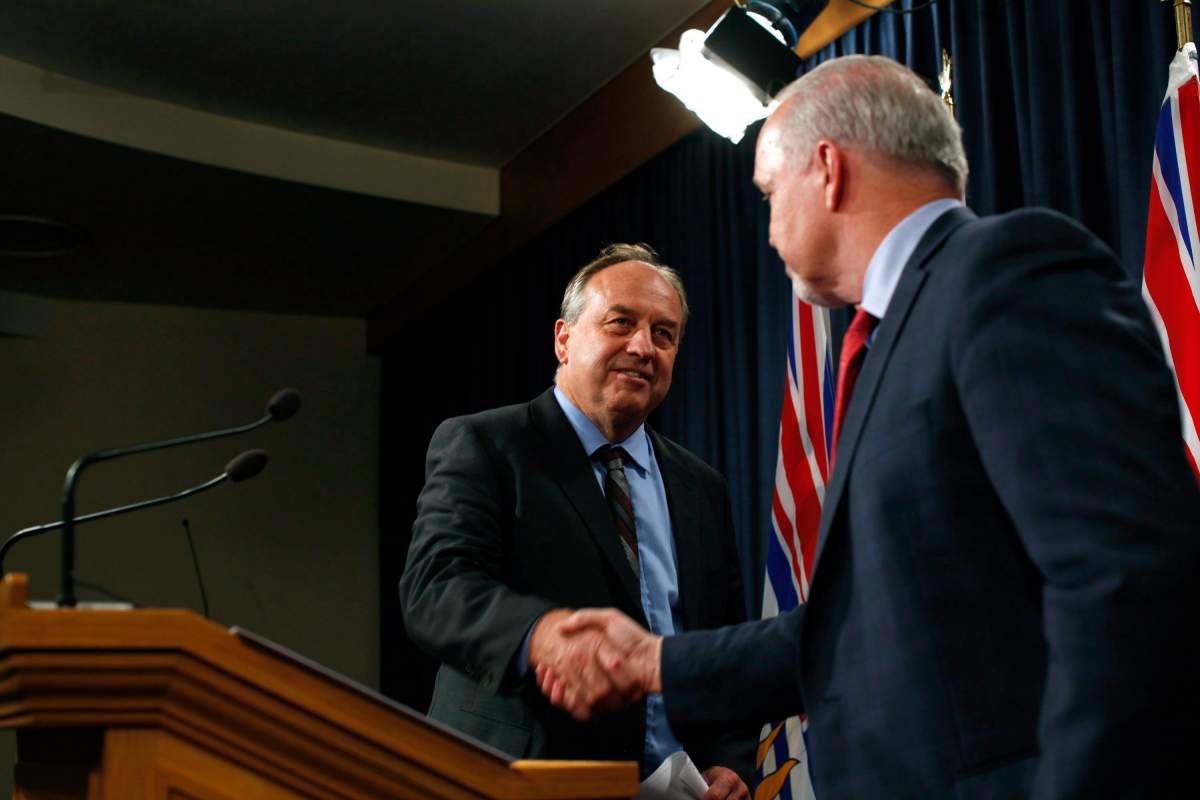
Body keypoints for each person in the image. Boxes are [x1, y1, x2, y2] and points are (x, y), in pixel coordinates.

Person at [535, 56, 1200, 798]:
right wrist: (656, 661)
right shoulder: (889, 339)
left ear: (827, 169)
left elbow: (1124, 577)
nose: (767, 226)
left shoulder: (1007, 272)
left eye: (769, 191)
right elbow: (865, 623)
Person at [399, 244, 753, 799]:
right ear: (564, 339)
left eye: (664, 334)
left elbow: (723, 644)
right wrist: (537, 636)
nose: (643, 347)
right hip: (517, 780)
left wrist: (730, 759)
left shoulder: (700, 486)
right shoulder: (487, 445)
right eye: (621, 323)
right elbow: (435, 590)